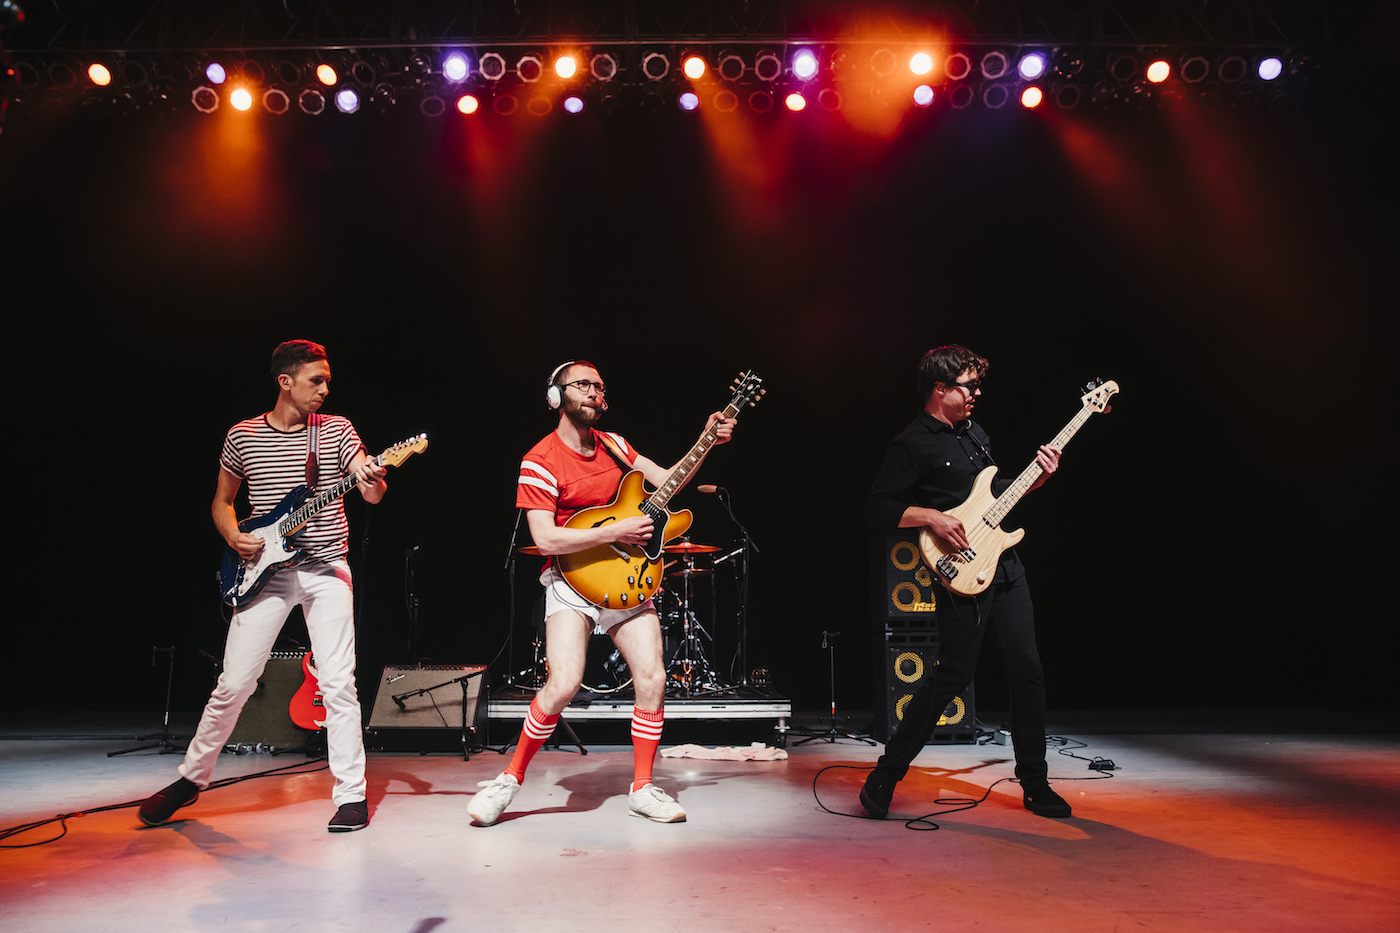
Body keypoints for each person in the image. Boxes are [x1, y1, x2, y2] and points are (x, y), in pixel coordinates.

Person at [468, 360, 736, 826]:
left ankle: (643, 787)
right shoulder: (539, 461)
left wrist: (705, 440)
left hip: (628, 580)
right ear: (556, 396)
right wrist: (614, 529)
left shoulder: (615, 444)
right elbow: (546, 539)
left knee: (652, 679)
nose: (594, 392)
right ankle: (508, 780)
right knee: (564, 683)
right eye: (583, 385)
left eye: (599, 386)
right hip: (571, 584)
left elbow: (670, 478)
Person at [138, 340, 388, 833]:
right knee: (234, 683)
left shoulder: (336, 429)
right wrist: (233, 535)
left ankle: (351, 795)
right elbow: (222, 502)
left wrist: (370, 476)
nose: (324, 389)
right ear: (285, 381)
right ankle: (190, 778)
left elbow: (372, 493)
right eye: (316, 380)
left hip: (326, 569)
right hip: (263, 574)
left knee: (338, 682)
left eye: (328, 381)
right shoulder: (243, 436)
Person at [861, 345, 1072, 819]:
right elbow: (876, 509)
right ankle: (887, 772)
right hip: (959, 573)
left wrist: (1034, 481)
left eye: (977, 385)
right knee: (952, 676)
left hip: (1005, 564)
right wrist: (931, 517)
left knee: (1028, 670)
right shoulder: (911, 443)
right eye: (969, 385)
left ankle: (1035, 784)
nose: (977, 393)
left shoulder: (977, 435)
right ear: (941, 389)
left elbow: (993, 505)